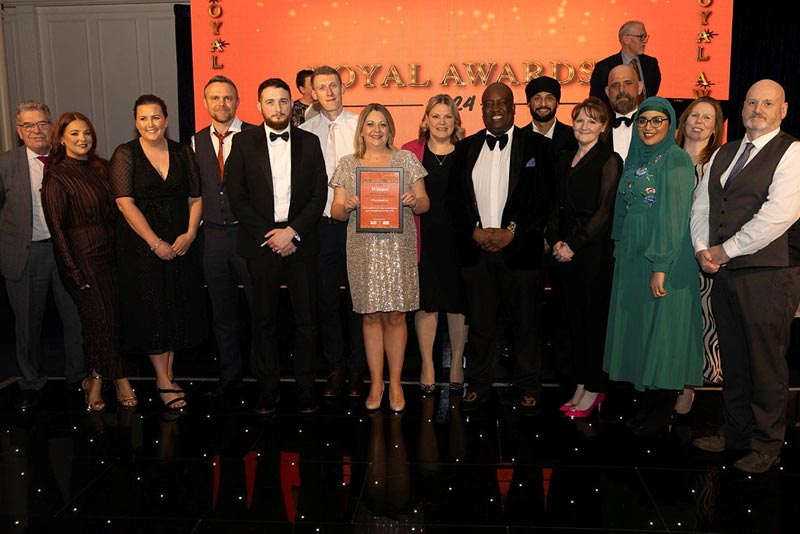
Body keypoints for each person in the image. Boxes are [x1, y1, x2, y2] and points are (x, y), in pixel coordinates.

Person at [690, 79, 800, 473]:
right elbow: (702, 206)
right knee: (734, 358)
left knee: (766, 362)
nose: (758, 109)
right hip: (725, 273)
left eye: (767, 103)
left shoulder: (792, 152)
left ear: (782, 110)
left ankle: (767, 443)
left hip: (770, 274)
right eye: (752, 102)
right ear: (741, 109)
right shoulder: (724, 152)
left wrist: (723, 250)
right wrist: (702, 248)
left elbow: (779, 215)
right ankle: (735, 431)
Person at [447, 82, 554, 415]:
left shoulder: (538, 147)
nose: (495, 108)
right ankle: (478, 384)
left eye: (502, 102)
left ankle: (528, 386)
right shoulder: (465, 148)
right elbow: (454, 200)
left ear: (513, 108)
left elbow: (544, 199)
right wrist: (474, 232)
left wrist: (513, 232)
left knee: (526, 325)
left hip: (520, 253)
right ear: (481, 110)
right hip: (477, 253)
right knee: (480, 325)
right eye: (488, 103)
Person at [226, 78, 328, 415]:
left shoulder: (310, 142)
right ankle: (267, 391)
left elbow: (318, 195)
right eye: (270, 102)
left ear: (292, 103)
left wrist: (293, 232)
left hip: (302, 243)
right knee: (264, 320)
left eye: (283, 101)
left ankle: (305, 390)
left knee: (307, 321)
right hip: (262, 244)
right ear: (258, 106)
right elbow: (237, 197)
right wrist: (272, 235)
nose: (278, 108)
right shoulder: (242, 142)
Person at [603, 96, 703, 437]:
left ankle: (659, 414)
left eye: (657, 121)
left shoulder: (675, 161)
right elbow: (623, 208)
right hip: (632, 256)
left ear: (670, 125)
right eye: (643, 121)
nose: (648, 127)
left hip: (664, 259)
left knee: (662, 333)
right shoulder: (635, 158)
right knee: (641, 333)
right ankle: (644, 408)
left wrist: (660, 265)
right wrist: (618, 244)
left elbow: (673, 219)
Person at [330, 103, 430, 413]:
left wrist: (414, 200)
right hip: (362, 249)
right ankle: (376, 381)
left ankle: (396, 382)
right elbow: (334, 212)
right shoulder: (348, 164)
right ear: (361, 129)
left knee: (397, 315)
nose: (376, 130)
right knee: (371, 315)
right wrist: (347, 204)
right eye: (370, 124)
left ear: (390, 129)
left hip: (397, 247)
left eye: (382, 124)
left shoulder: (406, 160)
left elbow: (425, 204)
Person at [109, 94, 205, 411]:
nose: (150, 124)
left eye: (156, 117)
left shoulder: (181, 151)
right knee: (152, 310)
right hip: (142, 246)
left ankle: (169, 374)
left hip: (180, 244)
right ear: (135, 121)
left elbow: (195, 198)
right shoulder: (126, 154)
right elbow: (125, 203)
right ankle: (163, 381)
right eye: (143, 118)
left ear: (166, 119)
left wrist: (190, 234)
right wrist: (154, 242)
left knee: (173, 305)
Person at [41, 112, 137, 411]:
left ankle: (94, 379)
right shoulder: (56, 176)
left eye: (87, 133)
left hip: (113, 252)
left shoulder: (102, 167)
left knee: (107, 321)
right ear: (61, 139)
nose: (82, 139)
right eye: (74, 134)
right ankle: (119, 379)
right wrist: (71, 269)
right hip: (83, 257)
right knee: (102, 319)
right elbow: (56, 229)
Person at [0, 100, 85, 410]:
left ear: (52, 127)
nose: (36, 130)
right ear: (19, 131)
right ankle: (31, 381)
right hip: (26, 254)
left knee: (75, 318)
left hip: (67, 254)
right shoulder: (6, 164)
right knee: (27, 323)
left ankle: (78, 377)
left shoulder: (70, 160)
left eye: (42, 124)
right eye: (28, 125)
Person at [547, 97, 622, 418]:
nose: (584, 126)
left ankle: (594, 387)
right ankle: (580, 384)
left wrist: (574, 244)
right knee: (571, 323)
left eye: (592, 121)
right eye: (579, 120)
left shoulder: (610, 159)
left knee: (592, 324)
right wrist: (554, 241)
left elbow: (605, 211)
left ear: (604, 126)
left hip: (591, 254)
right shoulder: (565, 158)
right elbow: (554, 204)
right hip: (562, 253)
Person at [300, 65, 367, 398]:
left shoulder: (361, 127)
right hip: (321, 228)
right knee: (326, 301)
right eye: (321, 87)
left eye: (334, 86)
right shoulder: (305, 131)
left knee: (358, 302)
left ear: (343, 89)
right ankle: (335, 369)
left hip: (358, 226)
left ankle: (358, 372)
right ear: (312, 93)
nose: (328, 92)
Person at [191, 75, 258, 399]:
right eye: (215, 98)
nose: (222, 104)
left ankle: (263, 375)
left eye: (228, 98)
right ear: (205, 103)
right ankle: (230, 376)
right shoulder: (194, 142)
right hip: (214, 237)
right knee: (222, 311)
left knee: (260, 309)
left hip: (249, 236)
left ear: (237, 101)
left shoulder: (256, 137)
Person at [400, 94, 468, 395]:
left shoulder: (467, 151)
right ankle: (427, 364)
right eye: (436, 116)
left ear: (456, 121)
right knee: (426, 302)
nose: (442, 122)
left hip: (460, 239)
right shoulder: (409, 152)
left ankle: (455, 364)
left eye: (448, 116)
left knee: (458, 303)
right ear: (425, 119)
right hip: (421, 238)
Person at [674, 96, 726, 413]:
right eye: (694, 115)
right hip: (669, 251)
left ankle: (689, 385)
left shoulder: (721, 162)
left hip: (701, 252)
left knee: (698, 320)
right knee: (672, 320)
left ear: (715, 126)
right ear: (683, 122)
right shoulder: (667, 158)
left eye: (707, 117)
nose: (698, 121)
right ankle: (669, 376)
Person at [590, 20, 661, 108]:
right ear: (626, 39)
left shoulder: (651, 64)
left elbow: (652, 93)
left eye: (645, 37)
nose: (645, 41)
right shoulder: (604, 67)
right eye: (641, 37)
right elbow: (596, 103)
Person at [523, 76, 577, 157]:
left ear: (557, 103)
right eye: (537, 99)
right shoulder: (519, 139)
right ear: (528, 103)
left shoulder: (573, 136)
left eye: (549, 98)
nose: (543, 104)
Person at [605, 64, 643, 162]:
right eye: (615, 85)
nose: (621, 90)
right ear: (607, 92)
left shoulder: (652, 126)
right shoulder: (597, 128)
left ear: (639, 88)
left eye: (628, 83)